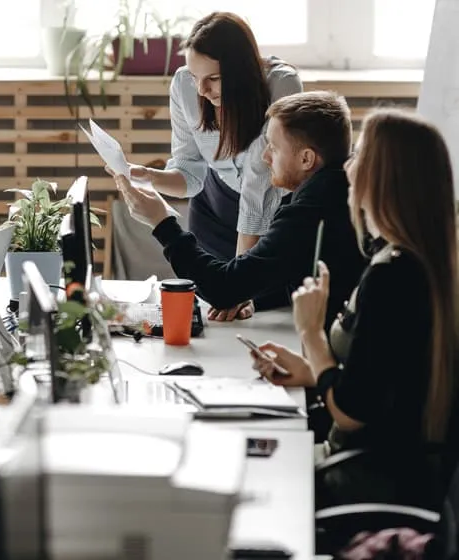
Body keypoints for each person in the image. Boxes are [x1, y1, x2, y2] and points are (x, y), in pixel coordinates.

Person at [250, 109, 459, 511]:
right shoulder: (410, 263)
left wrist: (311, 333)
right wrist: (310, 369)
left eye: (360, 155)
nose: (348, 166)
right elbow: (385, 385)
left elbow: (351, 413)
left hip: (359, 483)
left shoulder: (392, 276)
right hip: (378, 473)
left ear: (384, 177)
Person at [112, 91, 366, 331]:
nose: (265, 157)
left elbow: (223, 288)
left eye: (273, 147)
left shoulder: (311, 210)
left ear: (306, 159)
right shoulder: (338, 190)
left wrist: (161, 222)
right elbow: (285, 270)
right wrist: (250, 294)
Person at [128, 12, 302, 320]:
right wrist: (148, 178)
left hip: (271, 213)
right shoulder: (184, 84)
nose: (201, 90)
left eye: (213, 79)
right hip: (214, 211)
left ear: (241, 71)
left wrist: (239, 284)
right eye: (195, 77)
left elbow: (259, 181)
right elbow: (190, 175)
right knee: (215, 306)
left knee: (268, 308)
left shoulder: (281, 83)